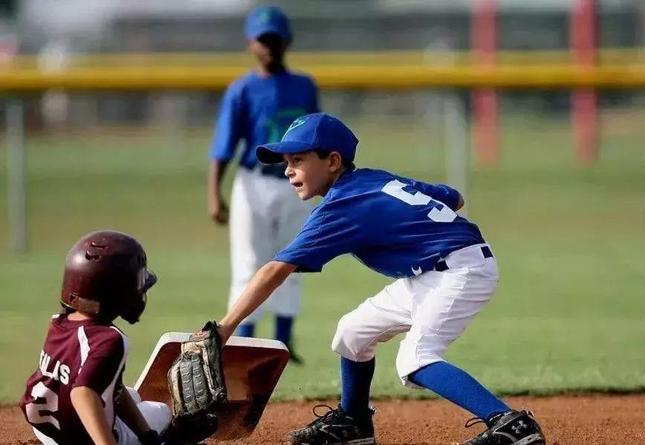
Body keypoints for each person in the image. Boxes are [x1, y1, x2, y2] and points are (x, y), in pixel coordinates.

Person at [212, 113, 546, 445]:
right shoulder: (374, 180)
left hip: (460, 270)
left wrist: (225, 327)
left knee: (415, 358)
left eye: (297, 159)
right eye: (285, 161)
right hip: (433, 270)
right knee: (352, 332)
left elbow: (275, 270)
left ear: (332, 161)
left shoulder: (343, 205)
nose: (287, 170)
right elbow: (455, 197)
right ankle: (354, 422)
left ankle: (511, 425)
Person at [207, 5, 319, 363]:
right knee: (249, 263)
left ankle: (284, 344)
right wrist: (215, 193)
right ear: (250, 43)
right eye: (262, 40)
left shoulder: (304, 86)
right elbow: (224, 145)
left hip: (297, 183)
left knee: (294, 260)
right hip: (253, 182)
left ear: (287, 41)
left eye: (274, 39)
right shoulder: (242, 89)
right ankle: (244, 343)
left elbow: (316, 138)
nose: (269, 46)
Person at [20, 231, 171, 445]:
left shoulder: (59, 322)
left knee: (132, 395)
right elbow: (82, 393)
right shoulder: (110, 339)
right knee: (161, 411)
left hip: (47, 430)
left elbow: (113, 390)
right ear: (116, 294)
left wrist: (147, 436)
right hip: (82, 436)